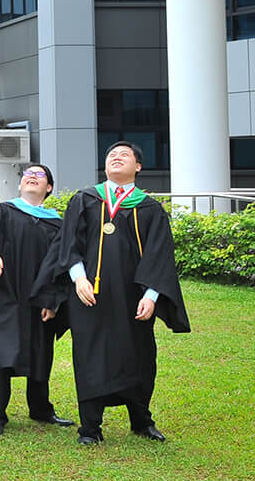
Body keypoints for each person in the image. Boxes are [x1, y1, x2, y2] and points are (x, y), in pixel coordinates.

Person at [34, 141, 190, 446]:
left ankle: (141, 420)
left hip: (134, 298)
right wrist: (78, 279)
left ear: (138, 167)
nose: (116, 158)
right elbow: (67, 245)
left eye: (124, 155)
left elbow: (159, 256)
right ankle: (90, 427)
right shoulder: (86, 199)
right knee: (90, 356)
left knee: (139, 355)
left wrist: (152, 296)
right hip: (88, 296)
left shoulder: (149, 208)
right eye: (111, 155)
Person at [0, 164, 74, 435]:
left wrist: (53, 301)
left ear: (49, 188)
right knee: (0, 355)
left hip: (39, 299)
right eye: (28, 174)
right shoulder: (2, 212)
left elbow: (62, 267)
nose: (32, 177)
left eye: (39, 175)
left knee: (40, 353)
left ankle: (40, 409)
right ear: (19, 184)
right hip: (3, 295)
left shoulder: (57, 223)